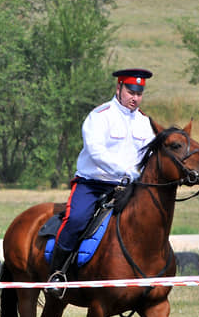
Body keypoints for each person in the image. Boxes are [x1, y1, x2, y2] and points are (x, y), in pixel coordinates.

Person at [47, 68, 156, 294]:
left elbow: (150, 156)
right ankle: (57, 274)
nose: (135, 97)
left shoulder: (145, 122)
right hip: (94, 184)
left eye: (139, 93)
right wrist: (125, 170)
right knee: (76, 219)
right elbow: (95, 152)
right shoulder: (100, 115)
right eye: (130, 91)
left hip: (130, 187)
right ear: (118, 88)